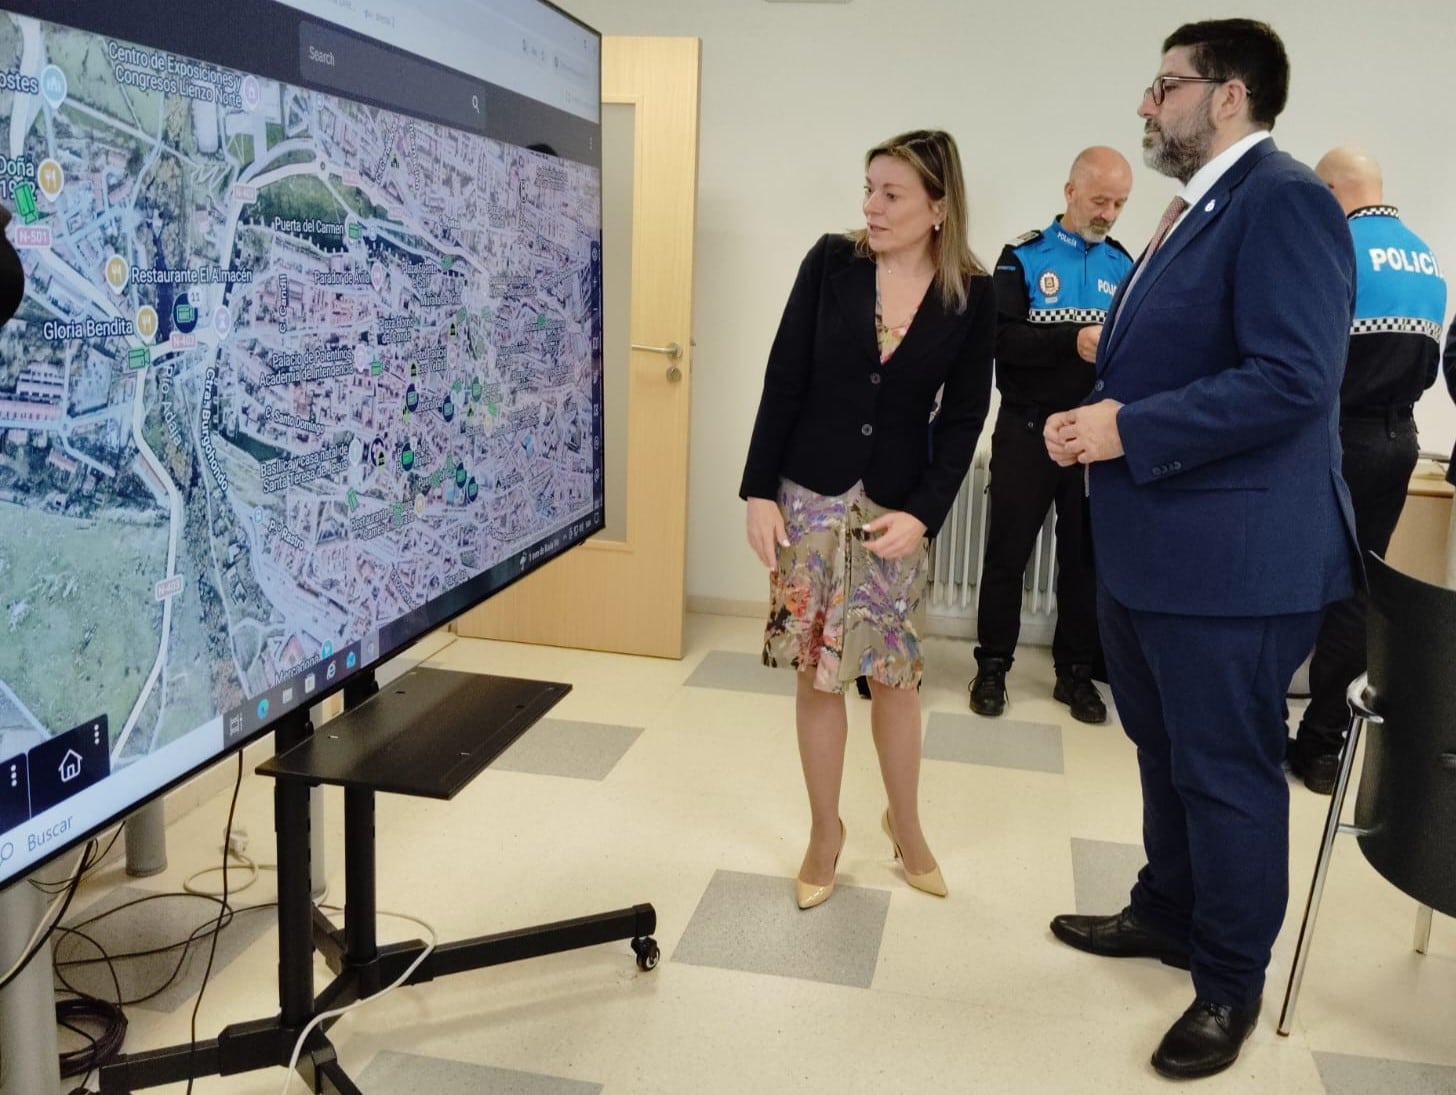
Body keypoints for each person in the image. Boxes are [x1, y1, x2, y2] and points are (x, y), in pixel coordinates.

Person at [1042, 20, 1357, 1079]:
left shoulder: (1285, 200)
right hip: (1155, 554)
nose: (1146, 104)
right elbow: (1164, 359)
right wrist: (1090, 416)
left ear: (1227, 97)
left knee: (1225, 775)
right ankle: (1166, 913)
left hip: (1231, 567)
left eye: (1163, 86)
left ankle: (1226, 980)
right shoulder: (1188, 214)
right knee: (1164, 754)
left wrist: (1129, 429)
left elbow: (1294, 378)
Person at [739, 130, 994, 909]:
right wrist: (756, 491)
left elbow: (963, 420)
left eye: (892, 194)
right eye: (868, 188)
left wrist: (925, 511)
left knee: (894, 677)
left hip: (896, 507)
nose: (870, 207)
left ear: (938, 208)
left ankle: (906, 825)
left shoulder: (972, 294)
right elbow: (785, 373)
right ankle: (826, 832)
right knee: (819, 673)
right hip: (809, 495)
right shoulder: (830, 262)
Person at [1288, 149, 1447, 794]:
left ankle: (1264, 726)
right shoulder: (1426, 256)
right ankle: (1324, 749)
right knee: (1359, 593)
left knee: (1292, 582)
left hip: (1334, 437)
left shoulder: (1337, 246)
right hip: (1398, 440)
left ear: (1332, 191)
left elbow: (1306, 360)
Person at [968, 147, 1134, 723]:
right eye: (1098, 200)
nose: (1109, 213)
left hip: (1094, 440)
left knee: (1084, 563)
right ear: (1069, 192)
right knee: (1006, 556)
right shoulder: (1021, 258)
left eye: (1119, 203)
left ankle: (1075, 675)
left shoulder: (1124, 265)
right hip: (1028, 430)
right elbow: (1001, 343)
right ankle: (992, 668)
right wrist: (1072, 341)